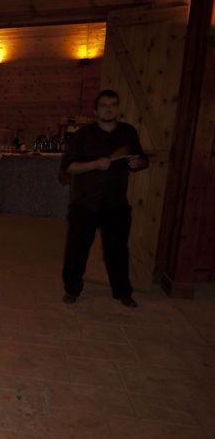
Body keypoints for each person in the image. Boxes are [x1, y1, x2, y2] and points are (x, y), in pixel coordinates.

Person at [60, 89, 148, 308]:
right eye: (104, 105)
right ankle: (72, 289)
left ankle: (122, 292)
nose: (109, 109)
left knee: (117, 250)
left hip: (116, 204)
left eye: (113, 105)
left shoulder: (128, 133)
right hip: (85, 203)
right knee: (77, 250)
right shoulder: (83, 135)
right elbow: (68, 168)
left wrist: (140, 163)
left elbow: (141, 157)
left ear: (117, 108)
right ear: (95, 110)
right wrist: (95, 164)